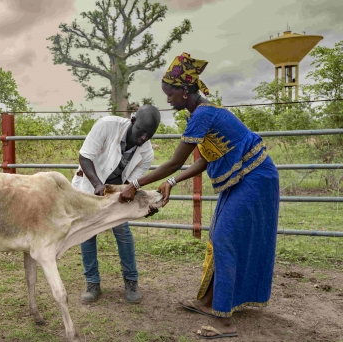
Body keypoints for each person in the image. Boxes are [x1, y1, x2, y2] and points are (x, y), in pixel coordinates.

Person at [119, 52, 280, 339]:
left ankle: (224, 321)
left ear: (184, 91)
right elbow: (204, 160)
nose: (168, 100)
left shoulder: (204, 115)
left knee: (224, 238)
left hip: (255, 177)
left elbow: (174, 162)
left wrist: (135, 183)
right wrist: (172, 182)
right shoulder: (200, 114)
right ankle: (208, 303)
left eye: (170, 94)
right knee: (219, 235)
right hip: (240, 178)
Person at [71, 104, 161, 304]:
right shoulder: (107, 125)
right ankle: (92, 284)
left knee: (123, 232)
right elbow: (85, 156)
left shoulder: (146, 154)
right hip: (90, 184)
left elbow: (131, 185)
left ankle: (131, 282)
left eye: (149, 135)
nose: (144, 138)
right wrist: (97, 184)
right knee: (87, 233)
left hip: (117, 192)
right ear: (133, 120)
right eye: (141, 131)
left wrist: (140, 203)